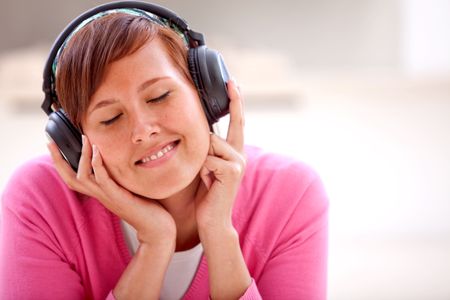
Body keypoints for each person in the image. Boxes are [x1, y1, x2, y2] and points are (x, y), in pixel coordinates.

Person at [0, 2, 329, 299]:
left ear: (206, 93)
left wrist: (219, 233)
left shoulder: (290, 195)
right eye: (111, 118)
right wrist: (155, 244)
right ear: (75, 141)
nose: (144, 131)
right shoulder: (40, 201)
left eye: (159, 96)